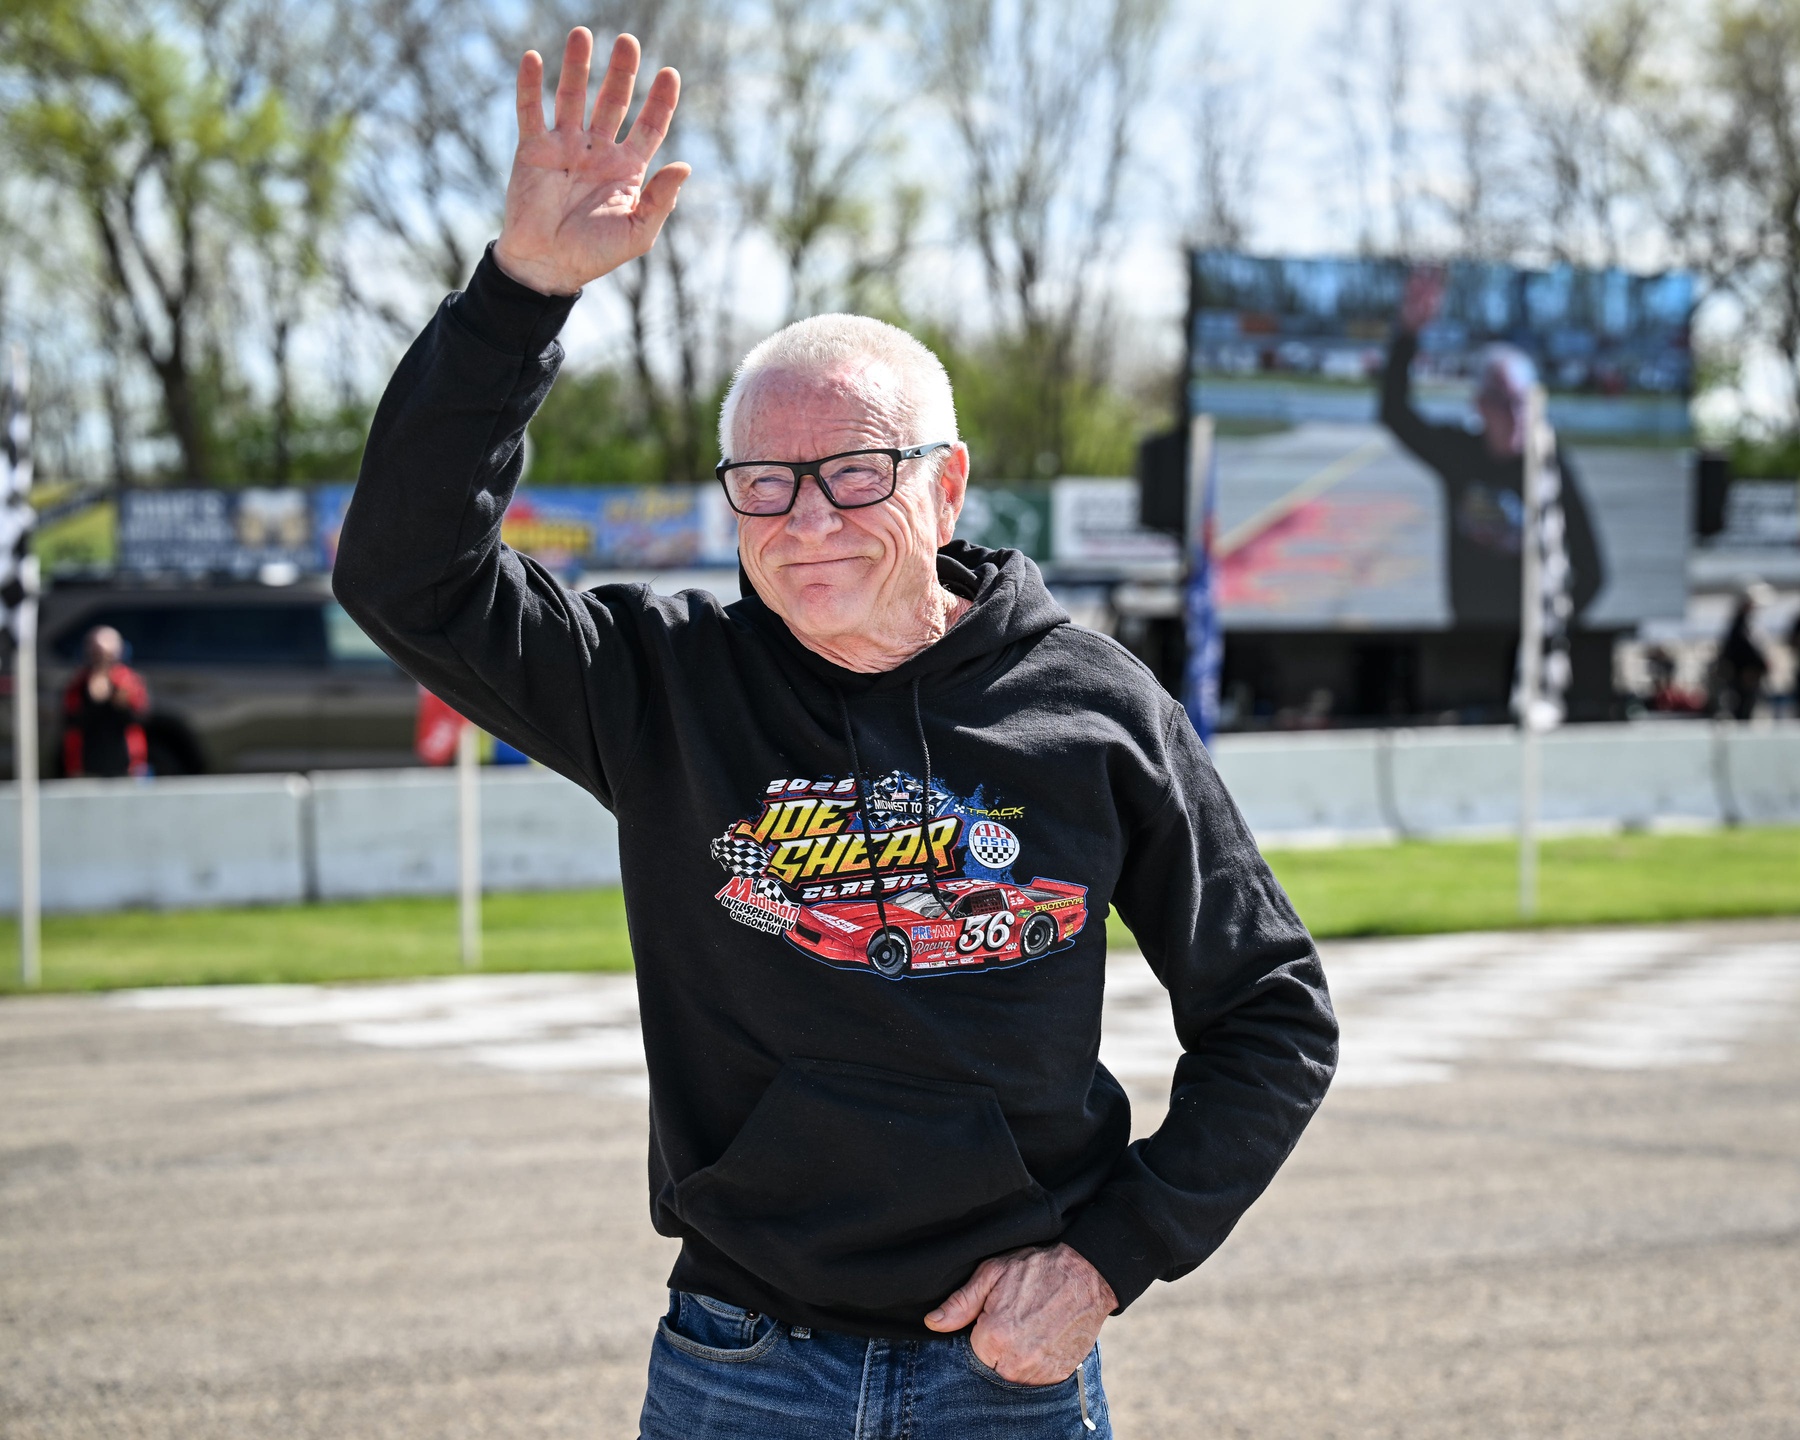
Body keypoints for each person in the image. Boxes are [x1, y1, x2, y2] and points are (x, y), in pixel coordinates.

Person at [335, 29, 1337, 1438]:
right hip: (742, 1363)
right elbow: (403, 575)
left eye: (854, 473)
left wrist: (1114, 1258)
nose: (805, 522)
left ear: (948, 485)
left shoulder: (1095, 707)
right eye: (764, 482)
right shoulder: (661, 683)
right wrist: (522, 296)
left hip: (1008, 1372)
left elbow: (1270, 1013)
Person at [1382, 267, 1605, 628]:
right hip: (1468, 637)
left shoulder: (1549, 466)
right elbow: (1394, 413)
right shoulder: (1459, 455)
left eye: (1524, 402)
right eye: (1505, 402)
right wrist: (1408, 334)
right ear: (1480, 404)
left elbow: (1593, 573)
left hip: (1529, 641)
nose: (1517, 416)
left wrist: (1550, 628)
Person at [60, 625, 150, 778]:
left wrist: (119, 701)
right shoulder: (79, 683)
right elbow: (71, 721)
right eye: (97, 654)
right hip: (86, 764)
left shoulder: (129, 681)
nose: (102, 660)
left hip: (126, 764)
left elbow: (140, 718)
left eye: (108, 654)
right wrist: (93, 700)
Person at [1715, 589, 1770, 721]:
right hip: (1744, 674)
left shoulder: (1746, 624)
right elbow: (1740, 650)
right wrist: (1754, 666)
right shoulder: (1739, 626)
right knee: (1744, 710)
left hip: (1748, 673)